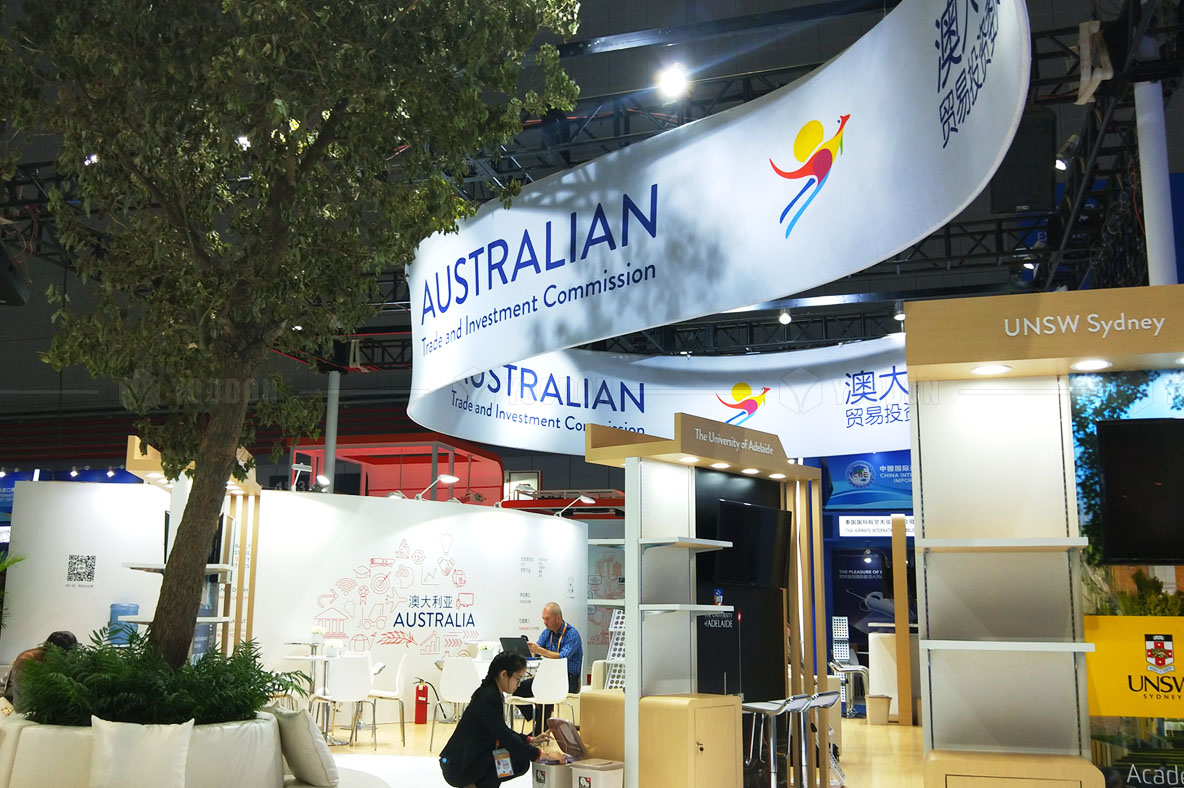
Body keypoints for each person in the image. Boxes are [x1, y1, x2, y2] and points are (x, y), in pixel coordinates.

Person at [439, 651, 542, 788]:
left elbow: (501, 730)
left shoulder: (491, 692)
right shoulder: (488, 697)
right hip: (459, 767)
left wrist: (528, 739)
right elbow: (504, 735)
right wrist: (541, 755)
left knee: (519, 761)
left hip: (463, 761)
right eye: (518, 679)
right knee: (516, 757)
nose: (519, 684)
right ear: (504, 674)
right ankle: (472, 785)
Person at [511, 601, 582, 735]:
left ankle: (539, 730)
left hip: (568, 679)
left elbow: (562, 657)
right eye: (543, 619)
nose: (545, 622)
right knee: (517, 688)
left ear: (558, 618)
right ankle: (537, 718)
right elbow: (537, 652)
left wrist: (539, 650)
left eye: (547, 619)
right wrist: (528, 650)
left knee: (546, 688)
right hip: (549, 677)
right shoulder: (546, 633)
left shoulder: (572, 634)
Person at [3, 630, 78, 711]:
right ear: (49, 651)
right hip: (11, 702)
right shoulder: (26, 661)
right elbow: (21, 703)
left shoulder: (70, 662)